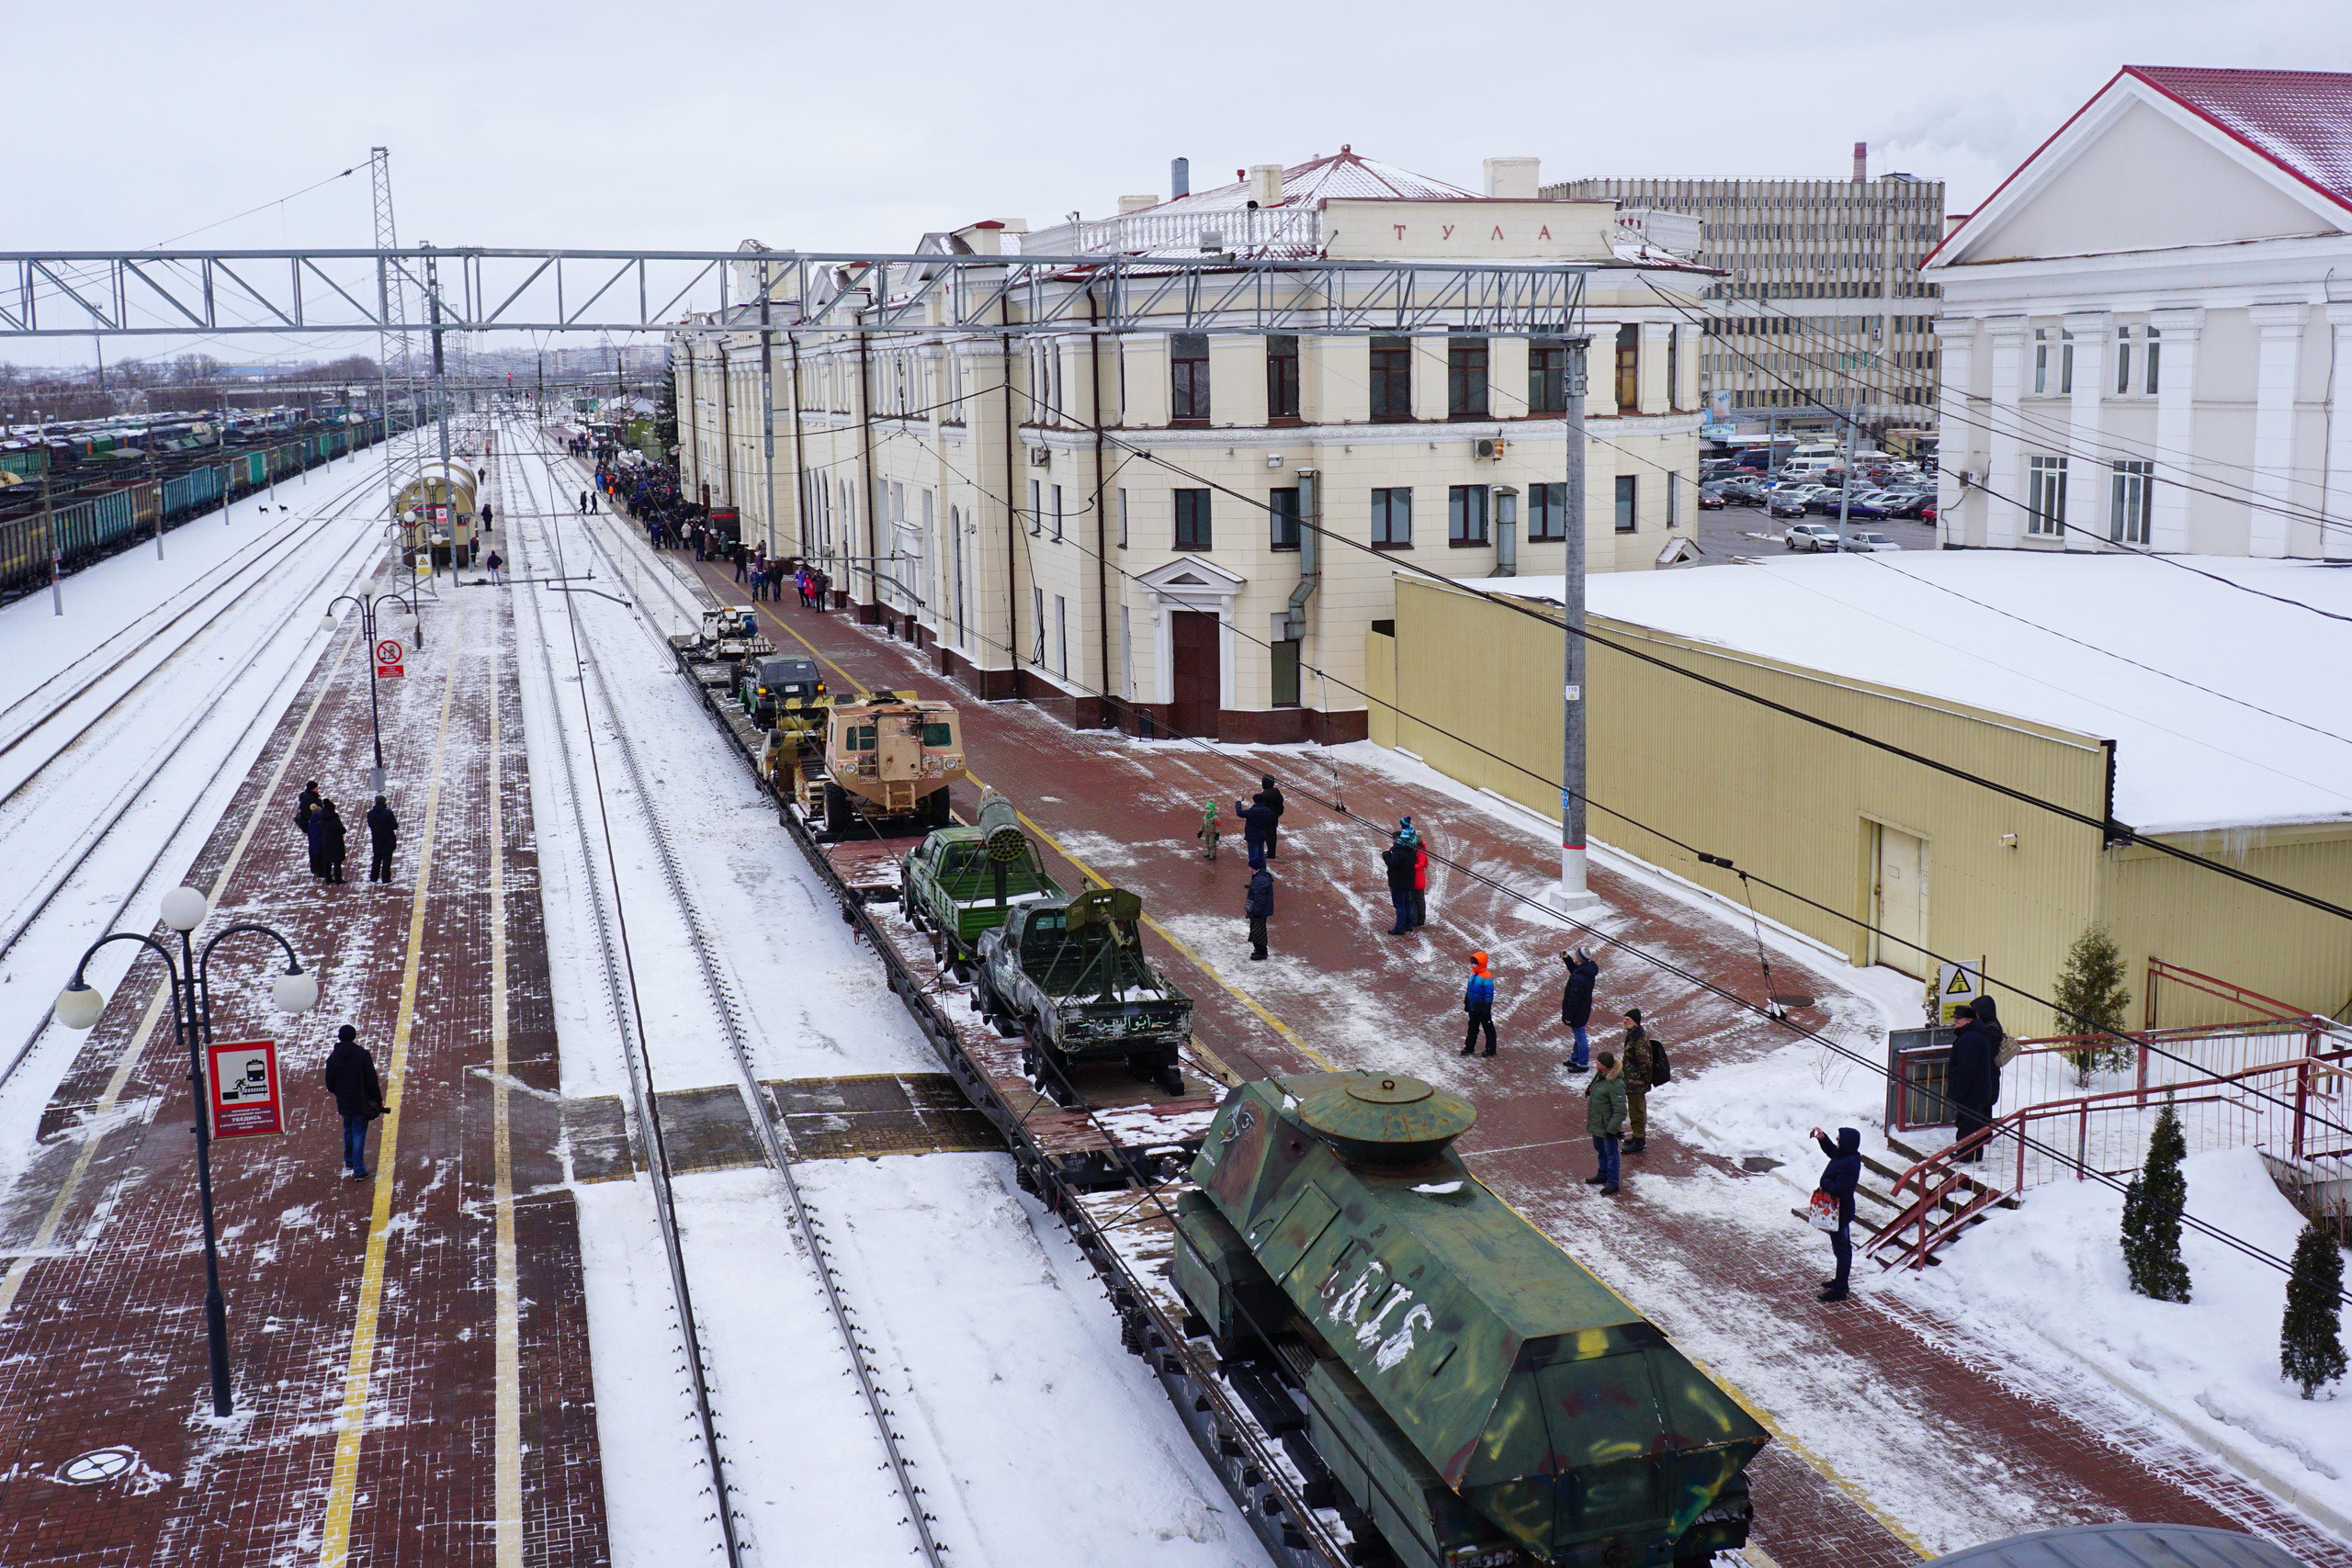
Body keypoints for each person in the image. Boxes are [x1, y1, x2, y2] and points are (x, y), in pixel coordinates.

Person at [324, 1024, 385, 1180]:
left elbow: (330, 1084)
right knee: (358, 1133)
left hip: (344, 1102)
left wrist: (340, 1093)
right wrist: (378, 1099)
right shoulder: (362, 1055)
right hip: (361, 1102)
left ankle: (349, 1160)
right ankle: (359, 1169)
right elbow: (372, 1080)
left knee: (348, 1130)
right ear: (354, 1037)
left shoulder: (333, 1059)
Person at [1813, 1125, 1862, 1300]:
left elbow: (1841, 1189)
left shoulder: (1849, 1164)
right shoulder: (1847, 1156)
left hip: (1840, 1212)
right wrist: (1822, 1138)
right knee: (1840, 1248)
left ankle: (1840, 1289)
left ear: (1847, 1143)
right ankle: (1840, 1281)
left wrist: (1824, 1181)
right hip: (1839, 1211)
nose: (1837, 1141)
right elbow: (1833, 1152)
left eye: (1839, 1139)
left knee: (1842, 1250)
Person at [1946, 1001, 2000, 1162]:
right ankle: (1975, 1154)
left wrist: (1959, 1092)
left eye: (1959, 1018)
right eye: (1955, 1017)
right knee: (1975, 1124)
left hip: (1971, 1092)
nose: (1956, 1020)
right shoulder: (1975, 1034)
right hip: (1978, 1089)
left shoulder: (1969, 1039)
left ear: (1969, 1020)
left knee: (1966, 1124)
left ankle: (1964, 1155)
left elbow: (1966, 1070)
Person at [1584, 1050, 1627, 1194]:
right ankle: (1602, 1174)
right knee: (1600, 1151)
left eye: (1598, 1061)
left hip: (1607, 1127)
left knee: (1611, 1155)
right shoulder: (1600, 1076)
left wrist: (1612, 1130)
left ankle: (1613, 1182)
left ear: (1605, 1066)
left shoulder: (1616, 1084)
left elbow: (1620, 1110)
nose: (1595, 1062)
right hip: (1597, 1124)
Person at [1620, 1009, 1656, 1154]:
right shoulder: (1633, 1035)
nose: (1624, 1021)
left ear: (1635, 1022)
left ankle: (1639, 1141)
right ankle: (1637, 1136)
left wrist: (1645, 1080)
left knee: (1637, 1111)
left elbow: (1644, 1063)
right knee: (1634, 1110)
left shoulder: (1638, 1039)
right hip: (1632, 1081)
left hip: (1636, 1082)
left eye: (1627, 1019)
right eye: (1624, 1018)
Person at [1559, 947, 1599, 1072]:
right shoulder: (1586, 971)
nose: (1574, 957)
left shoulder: (1579, 980)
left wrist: (1568, 1017)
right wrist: (1567, 960)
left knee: (1580, 1037)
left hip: (1578, 1013)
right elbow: (1576, 971)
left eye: (1575, 956)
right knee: (1578, 1035)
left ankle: (1582, 1064)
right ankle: (1575, 1058)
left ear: (1580, 960)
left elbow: (1573, 1001)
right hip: (1583, 1009)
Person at [1382, 831, 1419, 936]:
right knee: (1407, 903)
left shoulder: (1398, 851)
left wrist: (1386, 854)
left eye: (1393, 839)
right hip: (1408, 881)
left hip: (1398, 882)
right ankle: (1408, 925)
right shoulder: (1411, 850)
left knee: (1399, 905)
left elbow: (1392, 864)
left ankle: (1399, 928)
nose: (1392, 841)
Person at [1460, 951, 1497, 1056]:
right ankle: (1469, 1047)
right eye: (1472, 962)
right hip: (1473, 1007)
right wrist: (1467, 1001)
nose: (1472, 965)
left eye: (1474, 963)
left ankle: (1491, 1049)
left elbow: (1489, 994)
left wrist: (1486, 1007)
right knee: (1472, 1027)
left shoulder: (1486, 977)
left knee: (1488, 1028)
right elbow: (1469, 989)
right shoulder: (1472, 974)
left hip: (1482, 1007)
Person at [1235, 795, 1275, 871]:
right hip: (1262, 835)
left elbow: (1239, 813)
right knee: (1261, 855)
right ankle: (1263, 873)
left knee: (1253, 857)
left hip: (1252, 836)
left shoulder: (1253, 811)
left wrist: (1238, 802)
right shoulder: (1267, 811)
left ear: (1255, 801)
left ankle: (1256, 875)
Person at [315, 799, 348, 884]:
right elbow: (342, 830)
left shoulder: (322, 818)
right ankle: (338, 879)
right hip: (336, 841)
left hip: (326, 840)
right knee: (337, 861)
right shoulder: (334, 819)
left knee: (327, 860)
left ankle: (328, 878)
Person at [366, 796, 398, 883]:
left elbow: (370, 824)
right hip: (388, 839)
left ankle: (373, 878)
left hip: (376, 839)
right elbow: (394, 826)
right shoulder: (387, 813)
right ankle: (386, 878)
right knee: (387, 860)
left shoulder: (370, 813)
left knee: (376, 859)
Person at [1245, 864, 1273, 961]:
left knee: (1257, 931)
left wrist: (1257, 911)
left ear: (1253, 868)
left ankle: (1261, 953)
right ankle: (1259, 951)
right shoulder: (1261, 877)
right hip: (1261, 910)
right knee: (1258, 931)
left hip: (1258, 911)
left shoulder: (1259, 880)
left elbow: (1259, 898)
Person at [1253, 774, 1285, 861]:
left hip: (1267, 818)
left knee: (1268, 836)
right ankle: (1272, 852)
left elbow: (1260, 806)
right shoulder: (1276, 791)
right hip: (1274, 817)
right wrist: (1279, 813)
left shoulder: (1264, 794)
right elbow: (1280, 803)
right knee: (1273, 835)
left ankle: (1270, 854)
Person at [294, 780, 322, 845]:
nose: (318, 788)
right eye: (316, 787)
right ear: (312, 789)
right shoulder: (309, 800)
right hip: (313, 823)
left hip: (312, 821)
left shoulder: (307, 796)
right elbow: (307, 813)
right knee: (315, 841)